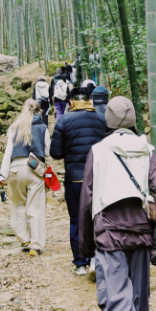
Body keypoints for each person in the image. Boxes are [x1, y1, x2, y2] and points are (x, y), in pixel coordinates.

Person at [79, 97, 156, 311]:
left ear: (107, 120)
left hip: (109, 234)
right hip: (141, 231)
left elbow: (87, 199)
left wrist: (86, 245)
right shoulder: (148, 150)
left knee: (114, 299)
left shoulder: (99, 151)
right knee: (138, 298)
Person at [49, 85, 109, 276]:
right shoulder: (103, 119)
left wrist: (70, 147)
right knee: (98, 218)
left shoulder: (64, 121)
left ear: (71, 102)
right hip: (99, 178)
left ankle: (80, 263)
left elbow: (55, 153)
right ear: (89, 100)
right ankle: (95, 259)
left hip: (75, 180)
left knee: (76, 220)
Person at [0, 98, 51, 255]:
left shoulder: (15, 128)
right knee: (35, 207)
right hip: (35, 168)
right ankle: (35, 245)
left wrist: (2, 174)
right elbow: (48, 151)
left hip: (15, 169)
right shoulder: (43, 127)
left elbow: (8, 153)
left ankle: (24, 239)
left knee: (18, 205)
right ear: (38, 111)